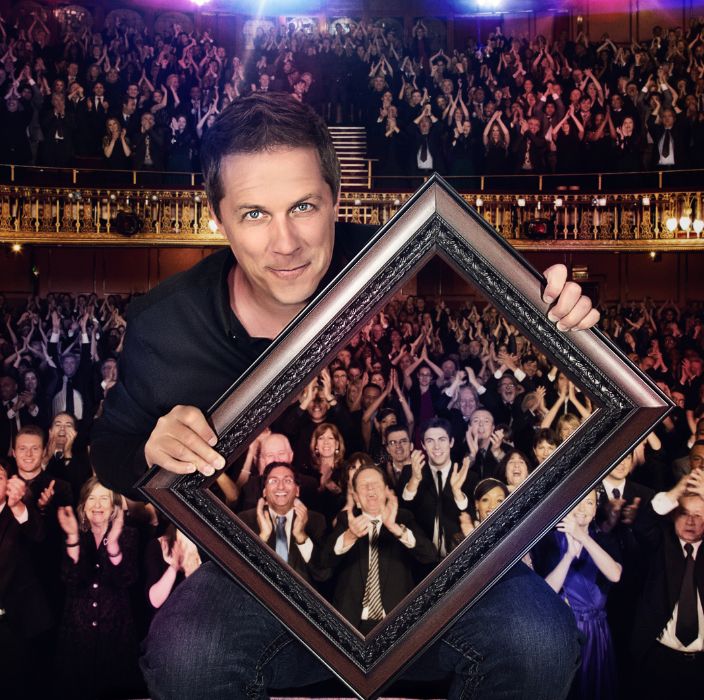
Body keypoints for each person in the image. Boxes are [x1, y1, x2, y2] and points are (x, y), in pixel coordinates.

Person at [92, 93, 597, 699]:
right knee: (185, 654)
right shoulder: (163, 323)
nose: (285, 242)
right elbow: (112, 450)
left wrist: (561, 316)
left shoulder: (403, 257)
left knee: (539, 637)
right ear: (218, 217)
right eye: (254, 214)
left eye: (303, 206)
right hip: (259, 575)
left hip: (426, 572)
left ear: (336, 199)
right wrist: (151, 447)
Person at [320, 463, 437, 633]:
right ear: (356, 498)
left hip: (397, 622)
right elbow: (323, 562)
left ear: (386, 491)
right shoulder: (346, 520)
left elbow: (430, 555)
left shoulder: (403, 518)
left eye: (375, 484)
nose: (370, 489)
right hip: (351, 623)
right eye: (363, 485)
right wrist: (349, 536)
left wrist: (397, 530)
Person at [54, 476, 142, 699]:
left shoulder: (129, 535)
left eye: (104, 498)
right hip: (77, 637)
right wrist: (73, 538)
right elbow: (70, 579)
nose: (98, 504)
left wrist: (112, 545)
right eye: (92, 498)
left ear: (114, 507)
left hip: (116, 637)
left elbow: (127, 579)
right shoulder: (72, 534)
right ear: (83, 506)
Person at [533, 490, 623, 700]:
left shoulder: (605, 540)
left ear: (595, 509)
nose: (582, 508)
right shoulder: (549, 541)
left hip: (594, 632)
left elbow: (615, 574)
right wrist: (568, 557)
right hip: (561, 628)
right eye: (578, 501)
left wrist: (582, 537)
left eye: (589, 503)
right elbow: (546, 592)